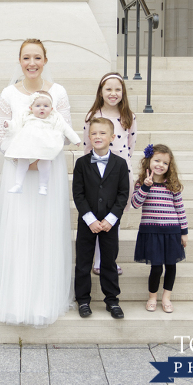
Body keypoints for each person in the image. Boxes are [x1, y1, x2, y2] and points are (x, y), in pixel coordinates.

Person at [0, 38, 74, 327]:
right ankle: (16, 300)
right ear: (19, 61)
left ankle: (45, 300)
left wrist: (39, 159)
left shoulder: (58, 92)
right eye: (26, 58)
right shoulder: (9, 93)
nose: (32, 63)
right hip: (18, 170)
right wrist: (24, 160)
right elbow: (0, 136)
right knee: (19, 231)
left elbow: (65, 132)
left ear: (45, 60)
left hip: (47, 170)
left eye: (37, 58)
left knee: (46, 230)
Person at [72, 117, 131, 319]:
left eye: (102, 133)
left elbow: (123, 194)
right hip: (87, 221)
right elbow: (78, 194)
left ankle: (112, 300)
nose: (98, 136)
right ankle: (83, 300)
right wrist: (89, 219)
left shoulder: (121, 164)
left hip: (109, 223)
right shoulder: (81, 163)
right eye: (94, 133)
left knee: (108, 260)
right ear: (89, 137)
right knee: (83, 261)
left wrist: (111, 219)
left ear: (112, 137)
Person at [83, 73, 137, 276]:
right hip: (97, 173)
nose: (113, 93)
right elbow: (87, 146)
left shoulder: (129, 117)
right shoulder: (92, 116)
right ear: (101, 92)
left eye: (117, 89)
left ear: (123, 93)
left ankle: (109, 260)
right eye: (108, 89)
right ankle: (97, 260)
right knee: (97, 213)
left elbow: (131, 145)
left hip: (120, 173)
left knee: (114, 215)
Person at [131, 143, 188, 314]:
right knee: (156, 267)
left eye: (165, 163)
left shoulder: (172, 184)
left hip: (171, 231)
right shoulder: (142, 183)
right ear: (148, 161)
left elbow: (180, 208)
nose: (160, 165)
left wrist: (184, 232)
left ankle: (166, 298)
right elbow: (135, 204)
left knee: (171, 265)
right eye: (157, 160)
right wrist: (145, 187)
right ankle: (152, 297)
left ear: (169, 166)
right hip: (152, 232)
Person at [4, 90, 81, 195]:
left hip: (45, 146)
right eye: (38, 105)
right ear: (31, 108)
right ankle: (18, 184)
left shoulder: (54, 118)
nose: (42, 108)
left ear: (52, 109)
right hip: (27, 144)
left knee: (45, 163)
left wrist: (75, 139)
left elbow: (66, 128)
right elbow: (16, 123)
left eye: (46, 106)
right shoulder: (27, 116)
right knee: (22, 161)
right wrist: (8, 124)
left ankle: (43, 185)